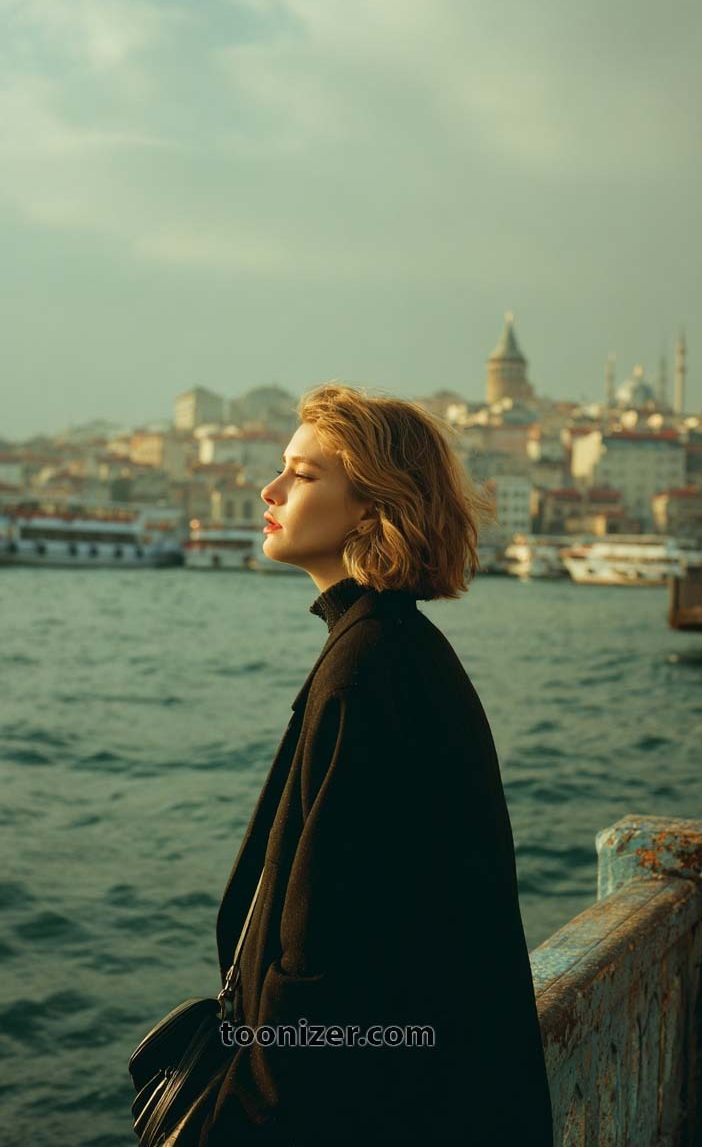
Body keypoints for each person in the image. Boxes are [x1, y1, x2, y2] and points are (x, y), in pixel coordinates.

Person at [199, 383, 555, 1145]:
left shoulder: (368, 669)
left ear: (372, 506)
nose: (270, 490)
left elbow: (323, 955)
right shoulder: (393, 649)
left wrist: (238, 1119)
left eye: (302, 474)